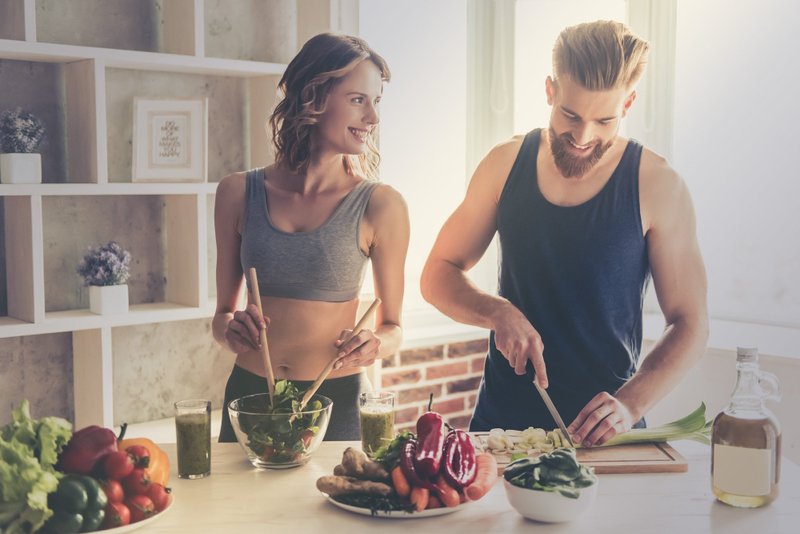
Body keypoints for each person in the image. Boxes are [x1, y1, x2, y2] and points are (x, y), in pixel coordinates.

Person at [420, 20, 708, 447]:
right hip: (500, 430)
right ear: (550, 91)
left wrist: (630, 404)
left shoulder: (658, 184)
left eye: (604, 121)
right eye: (570, 115)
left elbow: (691, 323)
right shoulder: (503, 164)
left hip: (603, 437)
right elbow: (437, 274)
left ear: (627, 104)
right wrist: (497, 312)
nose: (582, 136)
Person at [213, 33, 409, 442]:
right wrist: (231, 328)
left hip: (335, 400)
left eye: (376, 101)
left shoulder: (381, 205)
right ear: (313, 97)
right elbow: (222, 318)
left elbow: (392, 327)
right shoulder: (236, 192)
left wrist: (374, 344)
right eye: (358, 100)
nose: (373, 118)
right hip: (249, 396)